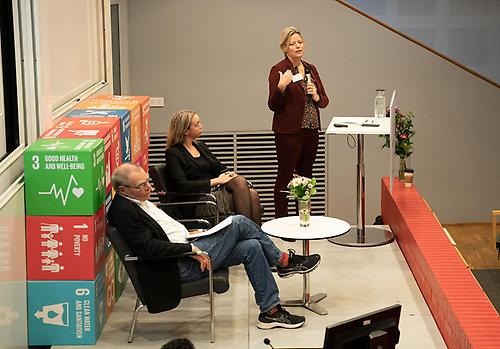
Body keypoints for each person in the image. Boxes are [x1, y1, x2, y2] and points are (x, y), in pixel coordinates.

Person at [108, 163, 321, 329]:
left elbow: (163, 232)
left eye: (148, 182)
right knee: (239, 222)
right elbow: (148, 249)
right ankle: (283, 261)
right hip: (176, 267)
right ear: (124, 190)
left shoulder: (138, 201)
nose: (149, 187)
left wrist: (189, 234)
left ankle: (271, 312)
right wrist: (190, 250)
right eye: (142, 185)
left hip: (188, 246)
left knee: (252, 246)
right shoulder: (124, 211)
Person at [268, 26, 329, 218]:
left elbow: (325, 101)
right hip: (289, 132)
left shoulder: (311, 68)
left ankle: (303, 218)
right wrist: (281, 86)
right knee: (285, 176)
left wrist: (316, 95)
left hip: (311, 130)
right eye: (292, 44)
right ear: (285, 48)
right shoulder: (279, 70)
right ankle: (281, 221)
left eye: (300, 42)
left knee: (306, 176)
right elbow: (273, 104)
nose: (297, 46)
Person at [164, 110, 262, 225]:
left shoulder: (200, 146)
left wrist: (229, 174)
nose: (201, 126)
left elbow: (218, 167)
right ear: (186, 130)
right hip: (198, 200)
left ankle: (253, 235)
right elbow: (182, 186)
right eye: (197, 124)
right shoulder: (173, 153)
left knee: (251, 192)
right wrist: (215, 181)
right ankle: (248, 232)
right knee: (247, 191)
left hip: (215, 192)